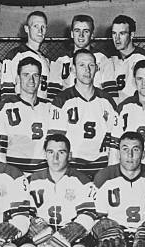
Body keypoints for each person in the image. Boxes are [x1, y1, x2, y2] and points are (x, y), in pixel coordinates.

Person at [48, 49, 121, 179]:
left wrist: (112, 169)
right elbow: (56, 142)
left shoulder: (106, 101)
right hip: (72, 168)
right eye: (81, 65)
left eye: (91, 65)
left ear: (97, 68)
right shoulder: (61, 100)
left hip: (101, 167)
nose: (87, 70)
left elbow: (115, 140)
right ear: (73, 69)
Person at [0, 57, 53, 175]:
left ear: (41, 79)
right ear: (17, 78)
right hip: (14, 172)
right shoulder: (5, 106)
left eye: (35, 75)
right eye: (26, 74)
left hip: (43, 173)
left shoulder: (50, 107)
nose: (31, 80)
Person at [47, 15, 116, 99]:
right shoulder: (59, 60)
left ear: (92, 34)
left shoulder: (103, 58)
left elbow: (112, 95)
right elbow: (52, 96)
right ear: (72, 34)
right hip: (69, 108)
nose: (81, 35)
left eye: (86, 31)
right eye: (77, 31)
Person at [0, 11, 51, 100]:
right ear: (27, 29)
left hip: (42, 109)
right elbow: (6, 91)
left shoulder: (46, 59)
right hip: (22, 110)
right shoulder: (15, 55)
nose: (40, 31)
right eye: (36, 26)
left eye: (43, 27)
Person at [109, 15, 145, 103]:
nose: (117, 38)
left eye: (122, 33)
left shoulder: (144, 58)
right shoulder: (109, 59)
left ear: (132, 34)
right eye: (114, 33)